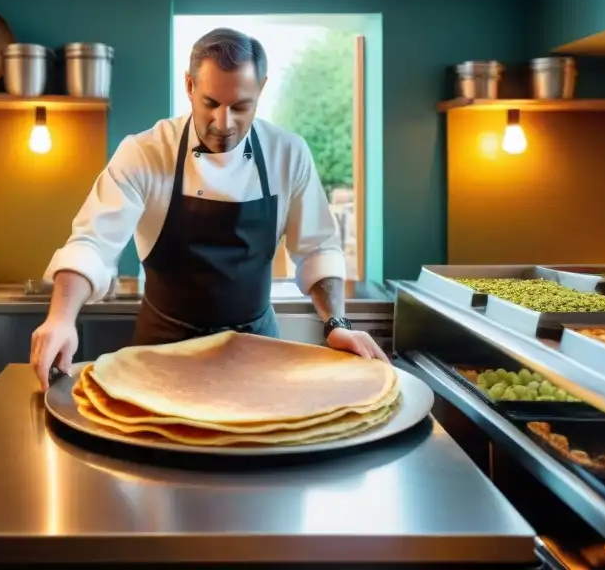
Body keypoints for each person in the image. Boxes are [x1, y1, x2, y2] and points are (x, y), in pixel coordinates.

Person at [31, 27, 386, 388]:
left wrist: (337, 323)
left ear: (261, 89)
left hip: (257, 350)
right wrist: (61, 317)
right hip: (163, 354)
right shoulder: (146, 153)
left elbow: (318, 249)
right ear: (189, 86)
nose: (224, 123)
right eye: (211, 103)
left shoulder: (288, 154)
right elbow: (92, 243)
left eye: (241, 107)